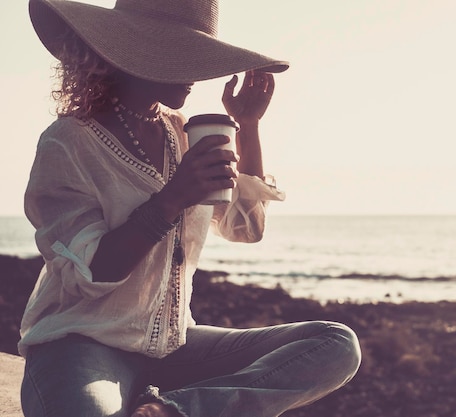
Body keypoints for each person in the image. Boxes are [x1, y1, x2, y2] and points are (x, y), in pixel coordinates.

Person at [20, 1, 361, 416]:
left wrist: (248, 126)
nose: (196, 71)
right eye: (180, 54)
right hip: (83, 341)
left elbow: (245, 229)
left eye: (199, 56)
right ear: (129, 51)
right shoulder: (68, 142)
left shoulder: (186, 134)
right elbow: (94, 272)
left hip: (173, 345)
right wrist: (173, 197)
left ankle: (170, 411)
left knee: (335, 344)